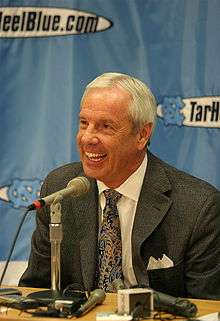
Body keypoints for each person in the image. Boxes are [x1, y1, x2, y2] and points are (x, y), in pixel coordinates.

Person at [19, 72, 220, 299]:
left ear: (142, 135)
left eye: (106, 127)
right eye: (84, 123)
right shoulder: (60, 188)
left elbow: (206, 312)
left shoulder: (197, 206)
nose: (87, 138)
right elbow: (35, 290)